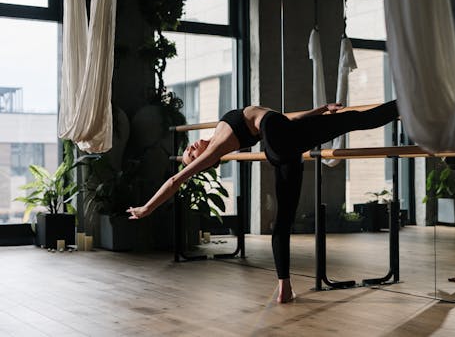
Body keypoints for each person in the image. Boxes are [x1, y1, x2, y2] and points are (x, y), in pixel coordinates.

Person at [127, 100, 399, 303]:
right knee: (354, 119)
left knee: (283, 219)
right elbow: (176, 181)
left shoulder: (219, 133)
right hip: (277, 137)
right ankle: (410, 104)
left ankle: (285, 287)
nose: (189, 149)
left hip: (280, 146)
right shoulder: (214, 149)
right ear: (201, 161)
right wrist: (146, 208)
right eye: (190, 155)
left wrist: (317, 111)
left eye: (187, 150)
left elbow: (287, 122)